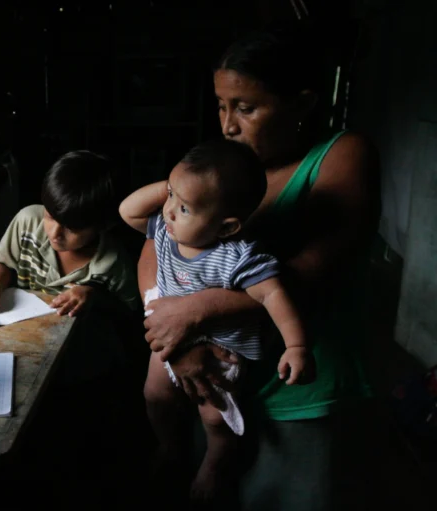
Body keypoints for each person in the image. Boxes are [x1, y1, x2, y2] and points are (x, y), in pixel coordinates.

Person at [140, 28, 380, 510]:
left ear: (301, 104)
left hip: (296, 387)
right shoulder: (222, 169)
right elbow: (157, 246)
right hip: (210, 374)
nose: (228, 124)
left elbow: (308, 273)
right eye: (222, 105)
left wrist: (194, 313)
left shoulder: (342, 155)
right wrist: (173, 337)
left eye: (246, 108)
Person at [121, 139, 315, 502]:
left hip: (221, 351)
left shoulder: (237, 257)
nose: (169, 212)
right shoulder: (165, 231)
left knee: (214, 418)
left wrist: (297, 346)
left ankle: (215, 464)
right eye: (169, 199)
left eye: (185, 208)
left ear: (226, 228)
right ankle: (169, 447)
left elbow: (274, 294)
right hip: (170, 337)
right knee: (155, 395)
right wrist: (174, 188)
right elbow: (127, 210)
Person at [0, 150, 139, 317]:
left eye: (71, 228)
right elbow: (3, 262)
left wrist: (95, 295)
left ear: (103, 226)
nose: (54, 234)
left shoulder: (113, 264)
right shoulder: (27, 221)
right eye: (50, 217)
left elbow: (127, 314)